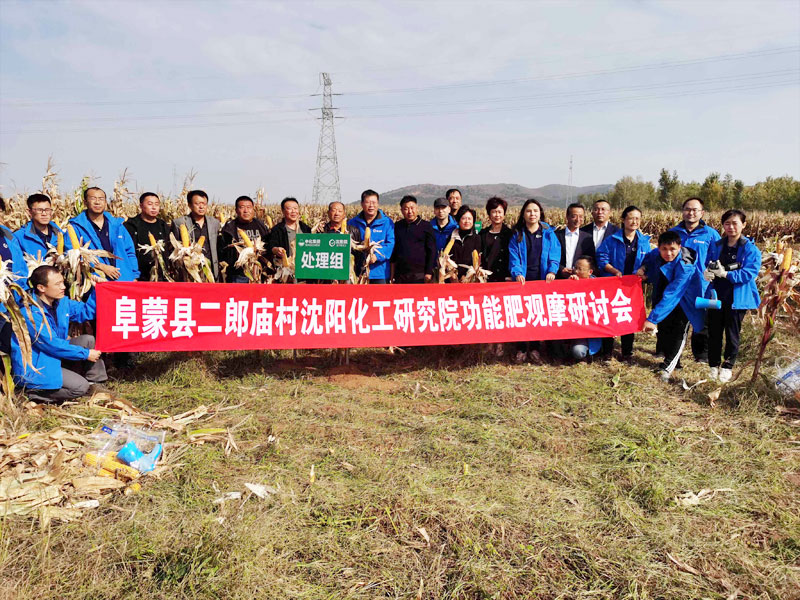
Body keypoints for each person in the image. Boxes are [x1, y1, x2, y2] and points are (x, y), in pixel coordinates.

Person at [10, 265, 107, 402]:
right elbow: (51, 344)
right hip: (38, 364)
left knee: (88, 340)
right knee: (80, 387)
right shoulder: (30, 314)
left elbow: (86, 311)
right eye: (58, 284)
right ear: (41, 288)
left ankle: (95, 383)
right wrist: (85, 354)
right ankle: (29, 392)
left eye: (62, 282)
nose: (63, 287)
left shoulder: (61, 303)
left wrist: (97, 290)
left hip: (53, 354)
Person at [637, 231, 705, 382]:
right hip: (664, 297)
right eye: (664, 249)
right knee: (666, 330)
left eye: (672, 249)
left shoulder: (686, 266)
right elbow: (649, 259)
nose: (668, 253)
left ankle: (667, 368)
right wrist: (643, 268)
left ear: (679, 247)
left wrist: (652, 319)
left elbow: (673, 293)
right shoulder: (656, 253)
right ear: (659, 248)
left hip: (684, 300)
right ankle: (675, 363)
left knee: (678, 332)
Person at [704, 209, 762, 383]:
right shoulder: (717, 245)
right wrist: (708, 273)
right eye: (727, 223)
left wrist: (726, 274)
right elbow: (709, 262)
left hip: (737, 297)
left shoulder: (750, 249)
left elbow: (749, 273)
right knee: (714, 332)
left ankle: (727, 366)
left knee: (732, 333)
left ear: (743, 225)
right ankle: (713, 366)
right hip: (716, 295)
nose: (731, 227)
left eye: (735, 223)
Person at [508, 198, 561, 363]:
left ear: (540, 213)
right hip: (523, 280)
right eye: (529, 211)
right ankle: (521, 348)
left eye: (535, 211)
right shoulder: (518, 234)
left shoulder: (548, 233)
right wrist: (517, 272)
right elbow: (514, 257)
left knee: (537, 314)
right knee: (522, 314)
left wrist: (552, 270)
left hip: (542, 280)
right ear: (523, 214)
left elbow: (555, 254)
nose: (532, 214)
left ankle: (535, 348)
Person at [669, 197, 721, 362]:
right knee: (678, 321)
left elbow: (716, 258)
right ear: (682, 211)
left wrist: (712, 275)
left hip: (701, 285)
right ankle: (673, 356)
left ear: (702, 213)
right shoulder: (673, 233)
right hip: (678, 285)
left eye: (695, 210)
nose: (691, 213)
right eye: (687, 209)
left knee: (701, 321)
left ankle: (701, 355)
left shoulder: (710, 234)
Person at [596, 205, 650, 362]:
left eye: (637, 218)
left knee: (628, 316)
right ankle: (607, 352)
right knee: (609, 316)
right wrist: (613, 271)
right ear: (623, 220)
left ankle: (627, 352)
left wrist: (643, 269)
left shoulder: (644, 241)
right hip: (613, 284)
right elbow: (602, 258)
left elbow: (648, 260)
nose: (634, 222)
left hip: (632, 287)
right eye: (631, 218)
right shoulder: (612, 239)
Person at [69, 187, 139, 282]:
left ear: (105, 202)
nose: (97, 202)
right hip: (96, 281)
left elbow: (129, 252)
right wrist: (100, 266)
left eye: (101, 199)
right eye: (93, 198)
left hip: (124, 279)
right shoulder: (76, 227)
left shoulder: (117, 225)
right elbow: (72, 255)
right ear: (85, 202)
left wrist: (134, 276)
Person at [553, 255, 602, 362]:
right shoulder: (570, 281)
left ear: (590, 272)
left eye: (580, 269)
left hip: (589, 331)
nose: (576, 271)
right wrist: (570, 284)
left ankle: (586, 353)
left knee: (578, 351)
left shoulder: (598, 286)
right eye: (575, 267)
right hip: (571, 327)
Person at [171, 190, 221, 281]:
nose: (201, 207)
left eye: (204, 204)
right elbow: (174, 248)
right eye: (197, 204)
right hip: (189, 272)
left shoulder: (215, 223)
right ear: (189, 205)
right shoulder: (179, 223)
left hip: (210, 271)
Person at [1, 195, 29, 356]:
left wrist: (20, 293)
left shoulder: (8, 234)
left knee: (6, 345)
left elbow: (20, 268)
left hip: (9, 301)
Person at [347, 189, 395, 284]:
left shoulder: (387, 222)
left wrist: (376, 256)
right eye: (368, 202)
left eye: (374, 202)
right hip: (359, 272)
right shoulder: (353, 223)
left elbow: (390, 244)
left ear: (378, 204)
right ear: (362, 204)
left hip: (380, 273)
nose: (371, 205)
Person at [219, 196, 270, 283]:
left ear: (253, 209)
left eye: (249, 207)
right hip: (238, 274)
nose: (246, 211)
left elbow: (268, 245)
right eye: (242, 207)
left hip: (259, 273)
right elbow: (223, 250)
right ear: (236, 210)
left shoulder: (261, 225)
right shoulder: (229, 228)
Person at [123, 192, 170, 281]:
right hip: (138, 276)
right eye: (150, 204)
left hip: (161, 276)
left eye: (156, 204)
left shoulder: (163, 226)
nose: (154, 207)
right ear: (141, 206)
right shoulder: (130, 226)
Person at [391, 195, 436, 283]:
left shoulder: (426, 226)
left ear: (417, 208)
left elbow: (431, 250)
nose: (410, 211)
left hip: (420, 274)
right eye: (406, 209)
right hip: (401, 274)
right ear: (401, 210)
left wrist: (428, 272)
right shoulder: (398, 226)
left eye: (412, 208)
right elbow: (394, 251)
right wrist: (392, 273)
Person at [14, 193, 72, 262]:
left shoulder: (62, 235)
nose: (44, 214)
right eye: (39, 210)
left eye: (47, 210)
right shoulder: (19, 237)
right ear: (29, 212)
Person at [556, 203, 595, 279]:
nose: (577, 220)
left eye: (581, 216)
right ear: (567, 216)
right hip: (559, 278)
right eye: (574, 216)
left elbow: (590, 259)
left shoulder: (587, 238)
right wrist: (561, 269)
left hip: (579, 279)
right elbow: (551, 256)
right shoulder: (556, 235)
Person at [479, 196, 512, 282]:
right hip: (486, 278)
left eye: (500, 212)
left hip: (505, 278)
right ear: (489, 214)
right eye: (494, 212)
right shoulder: (482, 234)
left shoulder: (510, 234)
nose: (497, 215)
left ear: (504, 214)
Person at [447, 206, 482, 281]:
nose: (467, 221)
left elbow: (477, 260)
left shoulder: (477, 238)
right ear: (458, 220)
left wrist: (466, 276)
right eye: (463, 218)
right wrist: (453, 274)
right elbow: (448, 258)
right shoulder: (452, 237)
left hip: (470, 278)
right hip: (453, 278)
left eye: (469, 219)